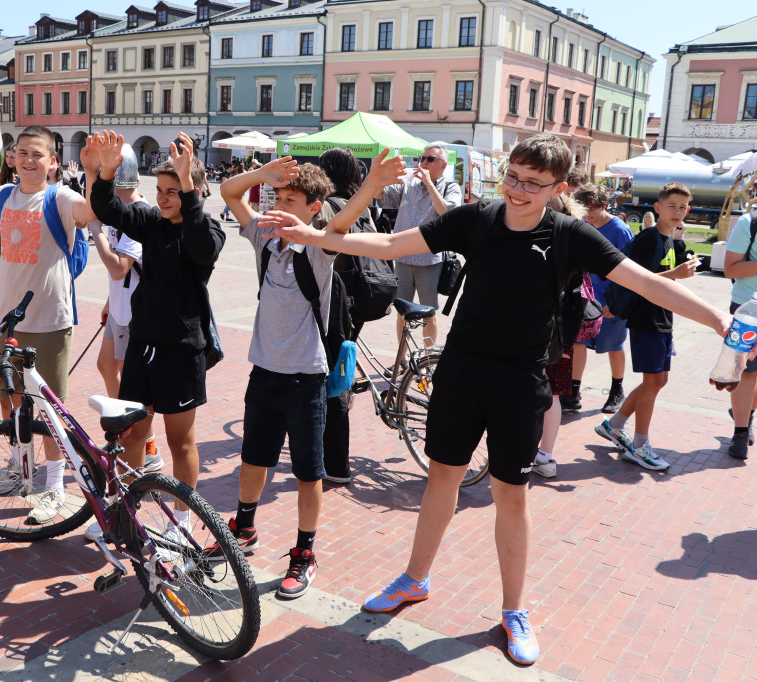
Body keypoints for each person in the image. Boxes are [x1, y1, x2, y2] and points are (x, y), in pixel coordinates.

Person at [261, 135, 730, 665]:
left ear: (558, 188)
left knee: (512, 495)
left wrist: (718, 319)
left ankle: (513, 610)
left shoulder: (570, 234)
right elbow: (394, 246)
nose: (519, 190)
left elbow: (644, 282)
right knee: (442, 478)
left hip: (520, 380)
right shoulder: (478, 217)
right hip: (461, 372)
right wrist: (316, 234)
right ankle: (414, 578)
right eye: (513, 177)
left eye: (533, 183)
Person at [0, 126, 97, 524]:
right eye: (21, 152)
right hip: (9, 320)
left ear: (53, 162)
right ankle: (19, 466)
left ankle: (55, 484)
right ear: (11, 157)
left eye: (37, 154)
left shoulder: (61, 197)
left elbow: (92, 212)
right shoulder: (4, 196)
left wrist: (95, 173)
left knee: (48, 409)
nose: (28, 160)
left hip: (50, 321)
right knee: (10, 398)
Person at [218, 155, 349, 598]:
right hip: (264, 371)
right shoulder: (264, 237)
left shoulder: (318, 247)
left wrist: (369, 190)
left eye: (290, 199)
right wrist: (262, 176)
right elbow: (229, 193)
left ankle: (304, 553)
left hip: (305, 377)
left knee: (308, 473)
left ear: (313, 207)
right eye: (277, 197)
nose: (278, 205)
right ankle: (244, 527)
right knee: (253, 460)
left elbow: (343, 224)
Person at [86, 130, 224, 524]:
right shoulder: (151, 221)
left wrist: (189, 187)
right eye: (160, 189)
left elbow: (201, 248)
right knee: (132, 435)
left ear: (193, 191)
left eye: (172, 190)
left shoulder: (208, 229)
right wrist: (107, 172)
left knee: (181, 443)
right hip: (142, 347)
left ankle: (181, 523)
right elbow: (107, 209)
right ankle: (124, 513)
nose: (163, 197)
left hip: (181, 353)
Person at [83, 144, 164, 542]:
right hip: (119, 309)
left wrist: (97, 235)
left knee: (132, 392)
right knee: (103, 365)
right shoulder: (117, 203)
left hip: (136, 318)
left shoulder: (137, 211)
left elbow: (119, 268)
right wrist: (107, 303)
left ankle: (142, 441)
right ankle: (136, 434)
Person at [596, 183, 699, 471]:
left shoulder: (668, 238)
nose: (678, 211)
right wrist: (675, 273)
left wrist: (680, 256)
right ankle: (640, 446)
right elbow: (637, 280)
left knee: (658, 381)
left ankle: (615, 426)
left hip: (663, 318)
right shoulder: (648, 239)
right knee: (653, 382)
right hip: (646, 320)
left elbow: (665, 278)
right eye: (672, 206)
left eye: (682, 207)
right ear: (658, 208)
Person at [313, 147, 368, 484]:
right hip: (361, 299)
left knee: (330, 382)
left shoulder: (332, 207)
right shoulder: (360, 205)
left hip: (336, 301)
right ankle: (330, 457)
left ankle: (335, 465)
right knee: (339, 375)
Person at [380, 141, 461, 346]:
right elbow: (380, 197)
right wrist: (381, 178)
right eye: (421, 159)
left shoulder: (450, 187)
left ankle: (427, 358)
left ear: (443, 165)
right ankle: (402, 359)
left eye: (430, 159)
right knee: (402, 311)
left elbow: (447, 214)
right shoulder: (408, 183)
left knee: (428, 313)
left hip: (428, 260)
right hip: (403, 257)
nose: (423, 163)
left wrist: (430, 184)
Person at [533, 193, 589, 479]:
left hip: (542, 331)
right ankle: (545, 455)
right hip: (564, 333)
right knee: (552, 394)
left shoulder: (546, 240)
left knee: (533, 392)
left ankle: (535, 453)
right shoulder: (576, 241)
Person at [565, 184, 634, 414]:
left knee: (614, 345)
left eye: (592, 209)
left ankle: (617, 390)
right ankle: (573, 391)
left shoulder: (620, 230)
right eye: (584, 208)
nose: (587, 213)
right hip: (586, 300)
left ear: (605, 207)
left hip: (610, 300)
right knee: (578, 343)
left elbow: (629, 269)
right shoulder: (584, 225)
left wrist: (615, 302)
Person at [722, 207, 757, 459]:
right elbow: (730, 269)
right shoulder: (749, 223)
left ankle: (744, 411)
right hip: (748, 311)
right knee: (747, 374)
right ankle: (741, 431)